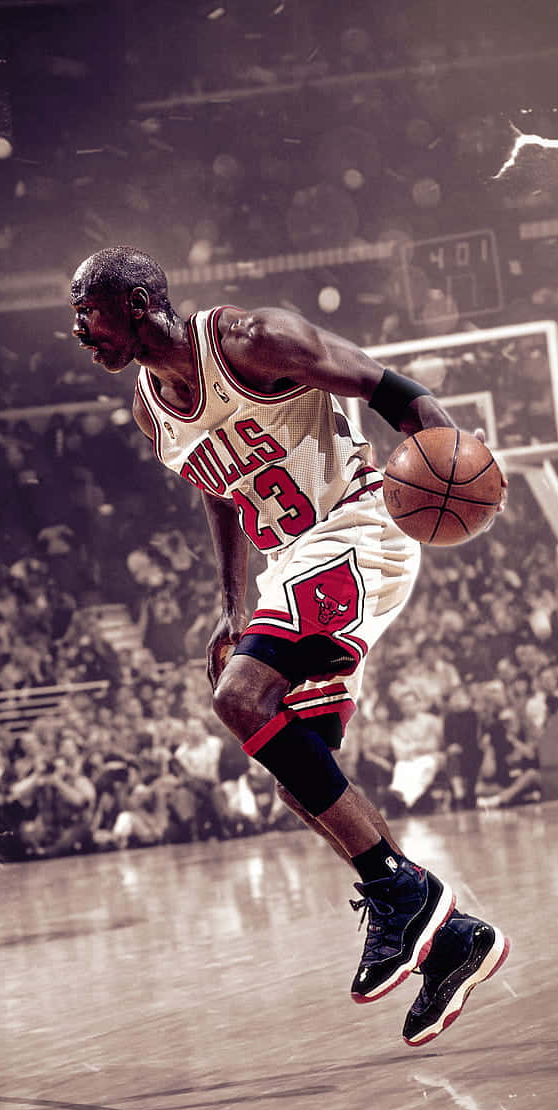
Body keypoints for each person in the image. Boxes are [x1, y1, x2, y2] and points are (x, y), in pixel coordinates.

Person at [69, 245, 510, 1047]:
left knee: (241, 700)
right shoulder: (149, 408)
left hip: (359, 524)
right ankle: (451, 938)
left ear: (134, 303)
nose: (78, 329)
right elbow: (219, 491)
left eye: (86, 310)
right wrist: (230, 605)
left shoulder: (251, 340)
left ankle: (401, 892)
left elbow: (389, 387)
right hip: (294, 559)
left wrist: (455, 458)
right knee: (299, 779)